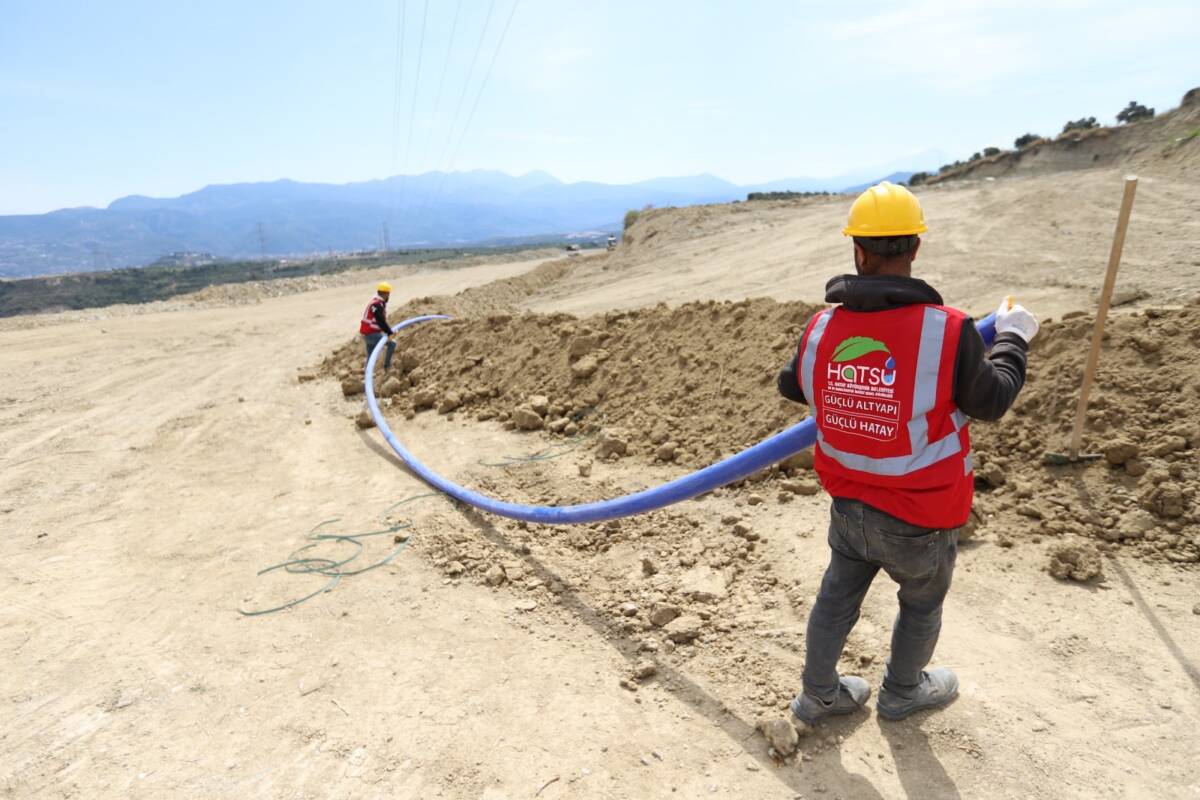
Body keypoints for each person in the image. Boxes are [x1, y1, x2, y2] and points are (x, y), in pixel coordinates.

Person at [777, 181, 1039, 722]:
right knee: (920, 605)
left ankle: (818, 695)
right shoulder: (949, 331)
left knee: (835, 599)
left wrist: (852, 387)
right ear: (915, 249)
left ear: (858, 250)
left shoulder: (822, 328)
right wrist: (1013, 338)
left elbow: (792, 384)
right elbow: (990, 400)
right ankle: (902, 691)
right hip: (923, 515)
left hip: (848, 507)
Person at [360, 281, 396, 369]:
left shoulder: (374, 302)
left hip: (367, 334)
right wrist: (389, 332)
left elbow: (379, 321)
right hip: (372, 334)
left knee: (371, 356)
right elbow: (380, 321)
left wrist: (388, 331)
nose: (388, 296)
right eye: (388, 294)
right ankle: (387, 367)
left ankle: (366, 376)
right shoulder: (377, 304)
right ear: (385, 294)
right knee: (392, 344)